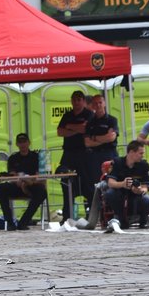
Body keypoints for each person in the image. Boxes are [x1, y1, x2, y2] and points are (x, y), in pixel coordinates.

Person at [0, 133, 48, 230]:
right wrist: (20, 181)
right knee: (0, 188)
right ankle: (10, 222)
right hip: (17, 185)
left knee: (42, 192)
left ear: (29, 143)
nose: (23, 145)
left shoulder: (36, 157)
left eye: (24, 142)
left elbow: (40, 175)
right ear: (17, 144)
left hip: (32, 185)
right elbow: (12, 174)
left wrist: (29, 182)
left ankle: (24, 222)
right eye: (20, 142)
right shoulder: (13, 158)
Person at [56, 89, 94, 222]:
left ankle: (91, 214)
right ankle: (67, 216)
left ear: (83, 101)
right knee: (66, 183)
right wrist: (76, 128)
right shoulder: (67, 115)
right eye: (74, 100)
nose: (77, 102)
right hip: (69, 154)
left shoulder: (89, 114)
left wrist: (70, 127)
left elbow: (85, 129)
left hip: (85, 154)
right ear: (71, 101)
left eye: (79, 100)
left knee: (88, 185)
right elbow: (60, 132)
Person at [104, 140, 149, 229]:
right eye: (140, 153)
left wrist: (139, 190)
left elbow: (145, 187)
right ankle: (121, 219)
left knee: (147, 200)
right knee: (109, 194)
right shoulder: (117, 162)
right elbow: (110, 183)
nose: (142, 156)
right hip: (120, 191)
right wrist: (122, 184)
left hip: (136, 193)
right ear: (131, 152)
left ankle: (143, 221)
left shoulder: (144, 165)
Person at [84, 94, 119, 207]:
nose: (98, 105)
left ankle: (111, 209)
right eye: (95, 103)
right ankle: (96, 211)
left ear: (104, 103)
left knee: (110, 181)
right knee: (95, 184)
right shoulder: (90, 122)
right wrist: (104, 138)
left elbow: (112, 138)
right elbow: (87, 142)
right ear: (92, 105)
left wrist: (95, 138)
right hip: (94, 156)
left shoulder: (112, 120)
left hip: (109, 154)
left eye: (100, 102)